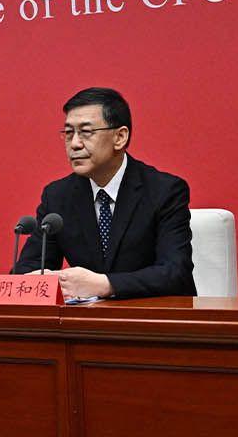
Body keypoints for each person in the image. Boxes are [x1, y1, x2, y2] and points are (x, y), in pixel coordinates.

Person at [10, 87, 195, 298]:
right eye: (69, 133)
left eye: (86, 133)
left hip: (154, 321)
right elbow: (29, 267)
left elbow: (174, 273)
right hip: (85, 325)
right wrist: (37, 280)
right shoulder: (58, 196)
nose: (75, 144)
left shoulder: (164, 191)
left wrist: (105, 284)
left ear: (120, 137)